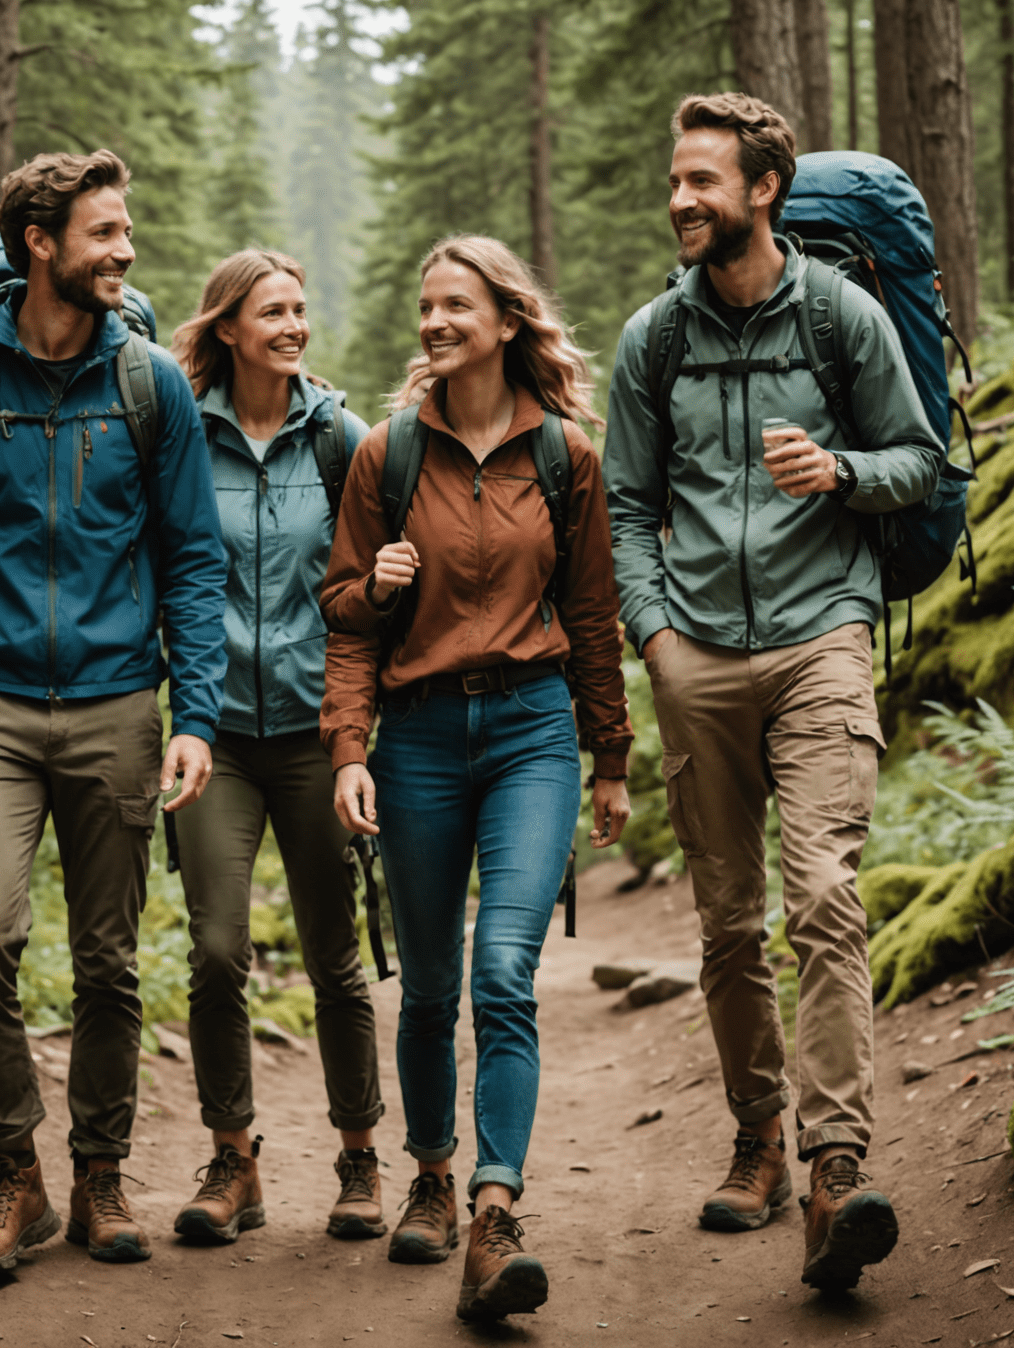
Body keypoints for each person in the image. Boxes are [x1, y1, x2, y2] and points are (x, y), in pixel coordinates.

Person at [602, 94, 942, 1290]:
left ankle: (835, 1166)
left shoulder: (842, 315)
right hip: (695, 653)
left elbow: (917, 459)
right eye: (677, 180)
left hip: (820, 640)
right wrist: (655, 638)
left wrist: (840, 468)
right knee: (728, 924)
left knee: (827, 898)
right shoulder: (655, 337)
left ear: (765, 191)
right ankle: (757, 1137)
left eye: (704, 180)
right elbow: (628, 507)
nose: (684, 199)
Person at [0, 150, 227, 1274]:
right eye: (104, 233)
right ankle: (13, 1171)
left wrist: (194, 713)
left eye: (126, 233)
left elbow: (193, 558)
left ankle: (101, 1178)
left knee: (110, 965)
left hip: (122, 704)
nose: (124, 252)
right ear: (40, 243)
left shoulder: (150, 383)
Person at [320, 234, 632, 1324]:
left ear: (506, 321)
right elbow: (344, 616)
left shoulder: (565, 459)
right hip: (412, 740)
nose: (436, 322)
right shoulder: (386, 455)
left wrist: (611, 757)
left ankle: (496, 1209)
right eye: (426, 307)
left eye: (456, 305)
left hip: (530, 735)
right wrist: (348, 748)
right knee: (430, 984)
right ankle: (433, 1175)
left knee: (504, 970)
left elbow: (594, 616)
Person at [165, 250, 386, 1245]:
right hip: (213, 738)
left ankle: (359, 1159)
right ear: (227, 328)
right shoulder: (180, 434)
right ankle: (234, 1162)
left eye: (302, 307)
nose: (295, 325)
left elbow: (358, 595)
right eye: (274, 312)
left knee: (335, 959)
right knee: (216, 953)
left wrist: (358, 736)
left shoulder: (337, 437)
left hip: (312, 732)